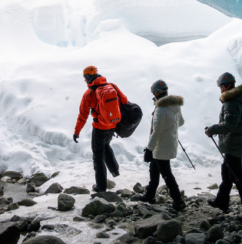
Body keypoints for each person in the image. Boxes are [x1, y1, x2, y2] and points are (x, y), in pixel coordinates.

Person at [204, 72, 242, 223]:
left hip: (233, 146)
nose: (220, 89)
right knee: (227, 172)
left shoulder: (230, 102)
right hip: (239, 145)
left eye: (220, 87)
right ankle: (221, 201)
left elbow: (229, 125)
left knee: (238, 178)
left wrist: (212, 130)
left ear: (224, 86)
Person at [73, 65, 128, 192]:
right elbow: (124, 101)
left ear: (88, 77)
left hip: (99, 127)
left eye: (85, 78)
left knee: (98, 156)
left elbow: (82, 115)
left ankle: (101, 186)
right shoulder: (112, 86)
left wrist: (76, 132)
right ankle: (114, 170)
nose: (84, 80)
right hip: (113, 125)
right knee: (106, 145)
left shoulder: (89, 93)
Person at [139, 80, 187, 211]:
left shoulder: (160, 109)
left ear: (156, 93)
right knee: (154, 169)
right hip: (169, 143)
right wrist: (169, 126)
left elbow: (156, 132)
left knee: (166, 173)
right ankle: (150, 195)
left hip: (160, 146)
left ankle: (178, 200)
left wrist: (149, 149)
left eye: (153, 94)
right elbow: (181, 122)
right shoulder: (175, 105)